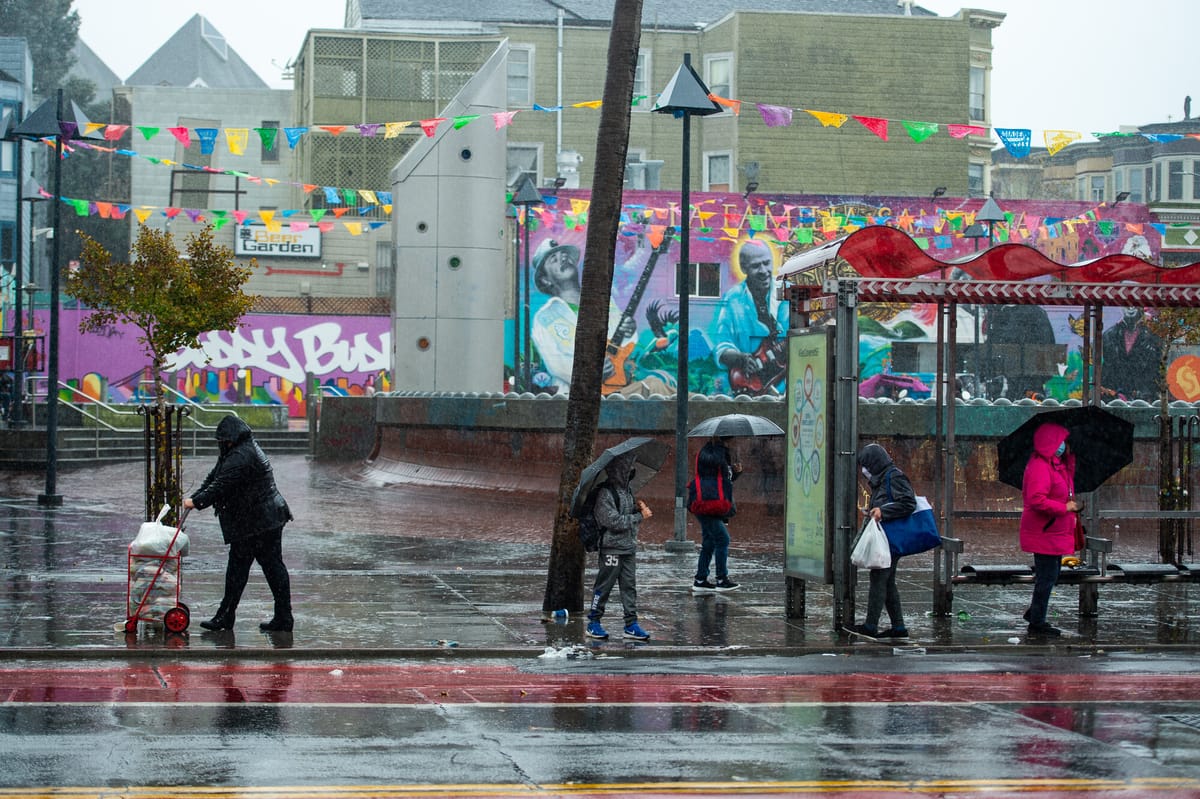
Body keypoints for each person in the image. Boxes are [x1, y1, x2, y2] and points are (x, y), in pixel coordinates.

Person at [183, 416, 294, 632]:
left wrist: (197, 502)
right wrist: (196, 497)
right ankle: (280, 617)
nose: (221, 444)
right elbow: (213, 478)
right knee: (262, 569)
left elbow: (221, 485)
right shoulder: (238, 451)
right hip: (260, 520)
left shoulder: (242, 455)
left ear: (230, 439)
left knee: (247, 570)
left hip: (259, 523)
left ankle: (228, 617)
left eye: (223, 440)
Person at [529, 238, 670, 397]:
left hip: (616, 388)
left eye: (565, 255)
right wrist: (592, 372)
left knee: (657, 386)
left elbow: (623, 345)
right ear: (545, 279)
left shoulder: (603, 300)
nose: (563, 258)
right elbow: (556, 364)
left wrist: (628, 331)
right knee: (655, 387)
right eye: (554, 259)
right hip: (578, 396)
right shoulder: (544, 317)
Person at [844, 443, 917, 641]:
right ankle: (898, 627)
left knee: (879, 579)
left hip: (890, 539)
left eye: (866, 465)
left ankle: (870, 626)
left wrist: (883, 511)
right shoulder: (882, 478)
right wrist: (874, 511)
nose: (864, 470)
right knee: (887, 581)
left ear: (874, 463)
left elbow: (909, 503)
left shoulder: (893, 476)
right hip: (886, 537)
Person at [1019, 422, 1082, 639]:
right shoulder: (1040, 466)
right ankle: (1037, 621)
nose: (1064, 445)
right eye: (1061, 441)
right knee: (1046, 577)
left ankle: (1035, 614)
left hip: (1053, 531)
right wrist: (1064, 508)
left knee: (1051, 575)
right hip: (1044, 531)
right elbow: (1037, 499)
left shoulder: (1058, 466)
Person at [585, 451, 653, 641]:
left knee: (629, 586)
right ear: (619, 471)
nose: (631, 470)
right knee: (604, 586)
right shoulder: (605, 493)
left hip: (628, 548)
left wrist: (636, 508)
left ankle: (631, 624)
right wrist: (640, 516)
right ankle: (593, 621)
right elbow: (612, 521)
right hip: (612, 549)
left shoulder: (627, 491)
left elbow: (624, 515)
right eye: (627, 467)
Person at [713, 240, 790, 396]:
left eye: (767, 263)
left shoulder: (788, 291)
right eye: (756, 266)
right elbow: (722, 343)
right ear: (743, 268)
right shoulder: (733, 298)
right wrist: (740, 359)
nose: (764, 271)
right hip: (748, 388)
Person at [690, 435, 742, 593]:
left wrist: (735, 471)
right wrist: (722, 449)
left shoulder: (718, 454)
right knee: (722, 539)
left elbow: (722, 479)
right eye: (731, 440)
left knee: (709, 542)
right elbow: (712, 469)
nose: (734, 443)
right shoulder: (709, 453)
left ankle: (700, 579)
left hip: (713, 503)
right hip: (705, 503)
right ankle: (721, 579)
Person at [1101, 306, 1163, 401]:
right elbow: (1107, 368)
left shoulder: (1153, 338)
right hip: (1114, 398)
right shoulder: (1109, 335)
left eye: (1135, 305)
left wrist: (1146, 393)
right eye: (1126, 304)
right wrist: (1108, 390)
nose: (1131, 308)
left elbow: (1156, 369)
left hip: (1144, 398)